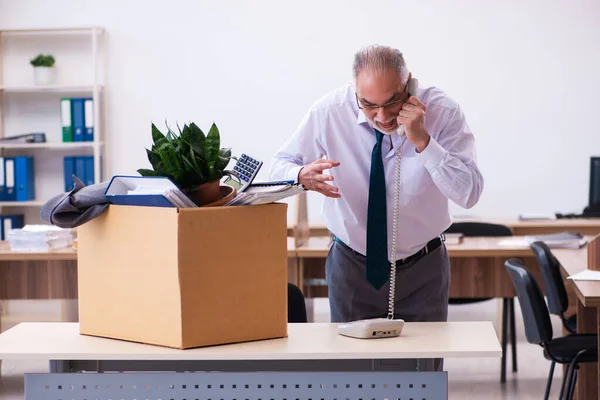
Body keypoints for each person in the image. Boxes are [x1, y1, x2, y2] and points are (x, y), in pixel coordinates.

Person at [269, 45, 483, 328]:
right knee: (353, 368)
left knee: (424, 367)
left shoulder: (443, 112)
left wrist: (424, 142)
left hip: (424, 267)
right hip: (352, 266)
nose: (382, 117)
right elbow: (276, 167)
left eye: (392, 102)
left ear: (410, 86)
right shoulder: (329, 112)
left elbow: (469, 193)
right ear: (355, 91)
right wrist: (300, 175)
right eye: (369, 105)